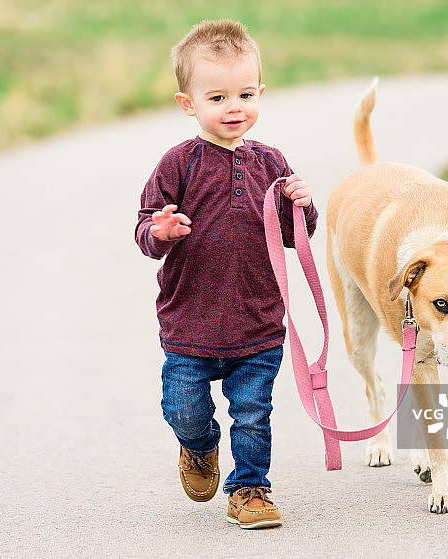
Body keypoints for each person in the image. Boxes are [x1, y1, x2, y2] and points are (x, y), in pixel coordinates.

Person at [134, 19, 317, 530]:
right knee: (184, 410)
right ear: (187, 103)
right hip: (189, 324)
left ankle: (251, 489)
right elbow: (144, 229)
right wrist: (161, 231)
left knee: (254, 414)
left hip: (258, 322)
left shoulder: (272, 162)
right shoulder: (179, 164)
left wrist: (301, 206)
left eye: (243, 94)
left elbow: (292, 232)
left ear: (260, 93)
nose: (233, 107)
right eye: (216, 97)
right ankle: (198, 447)